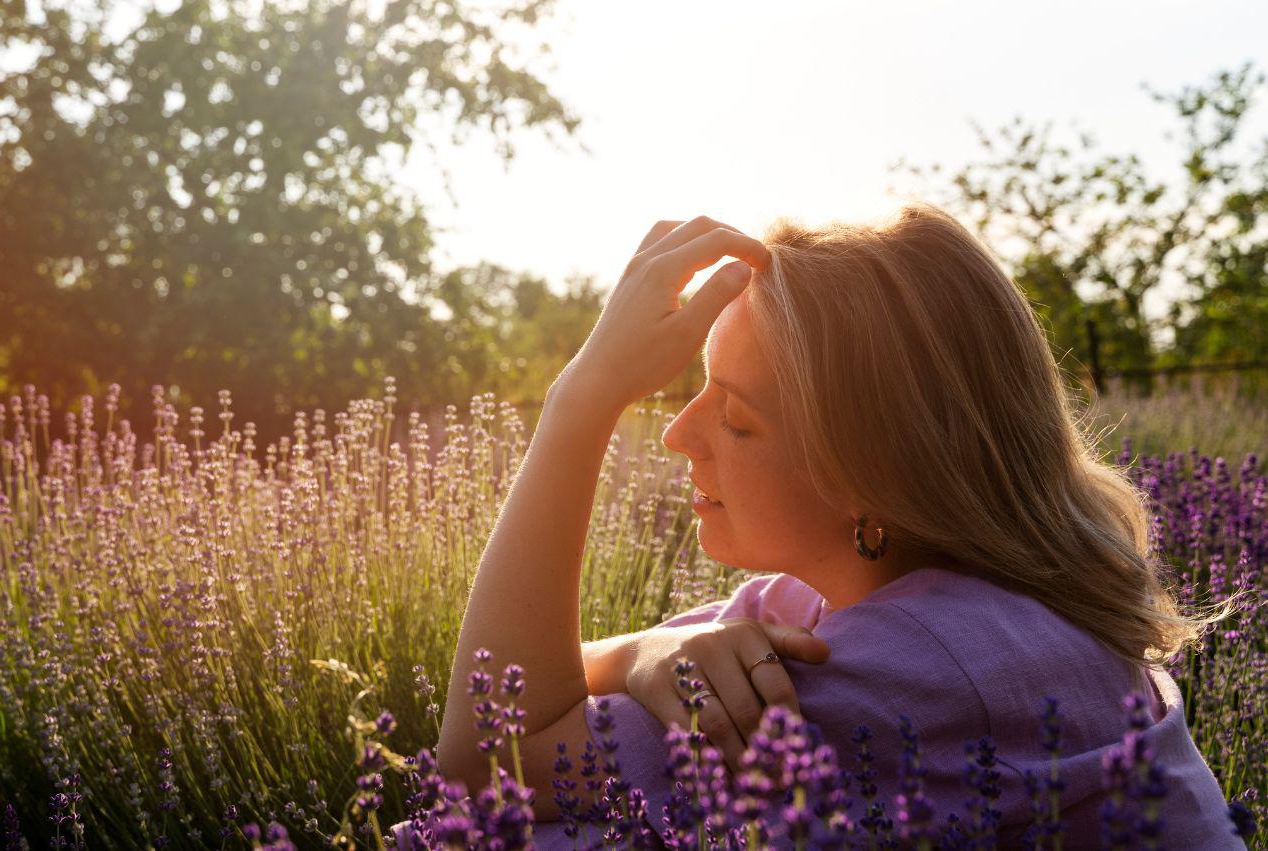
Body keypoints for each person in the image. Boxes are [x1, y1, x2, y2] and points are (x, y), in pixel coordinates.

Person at [429, 205, 1246, 847]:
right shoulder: (823, 603)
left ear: (872, 474)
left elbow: (482, 762)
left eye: (738, 419)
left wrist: (580, 404)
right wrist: (644, 651)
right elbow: (531, 689)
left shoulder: (930, 662)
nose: (679, 434)